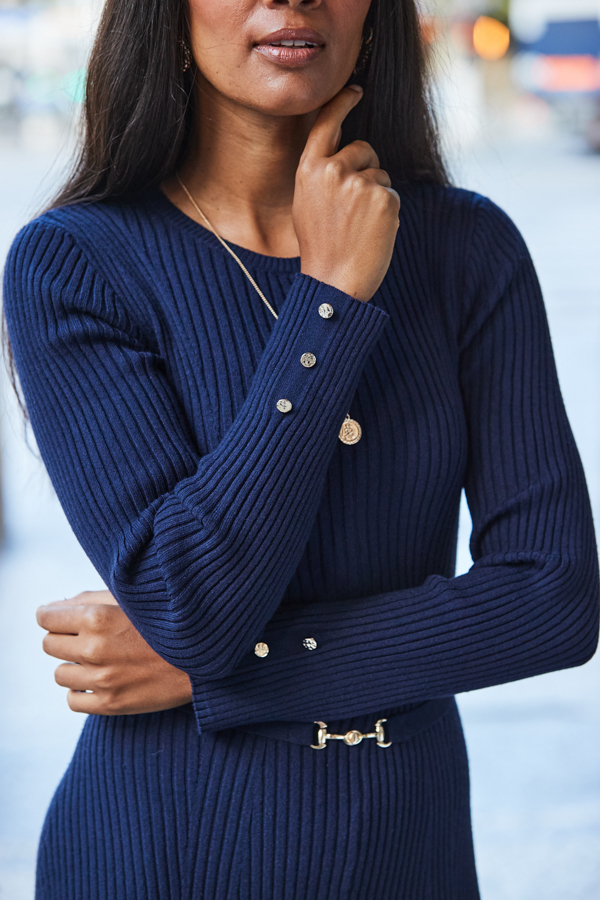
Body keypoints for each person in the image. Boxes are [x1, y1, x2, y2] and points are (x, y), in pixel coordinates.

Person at [3, 0, 599, 897]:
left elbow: (552, 599)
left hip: (407, 849)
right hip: (165, 852)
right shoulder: (74, 265)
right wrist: (330, 296)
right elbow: (189, 604)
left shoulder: (466, 250)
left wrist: (220, 678)